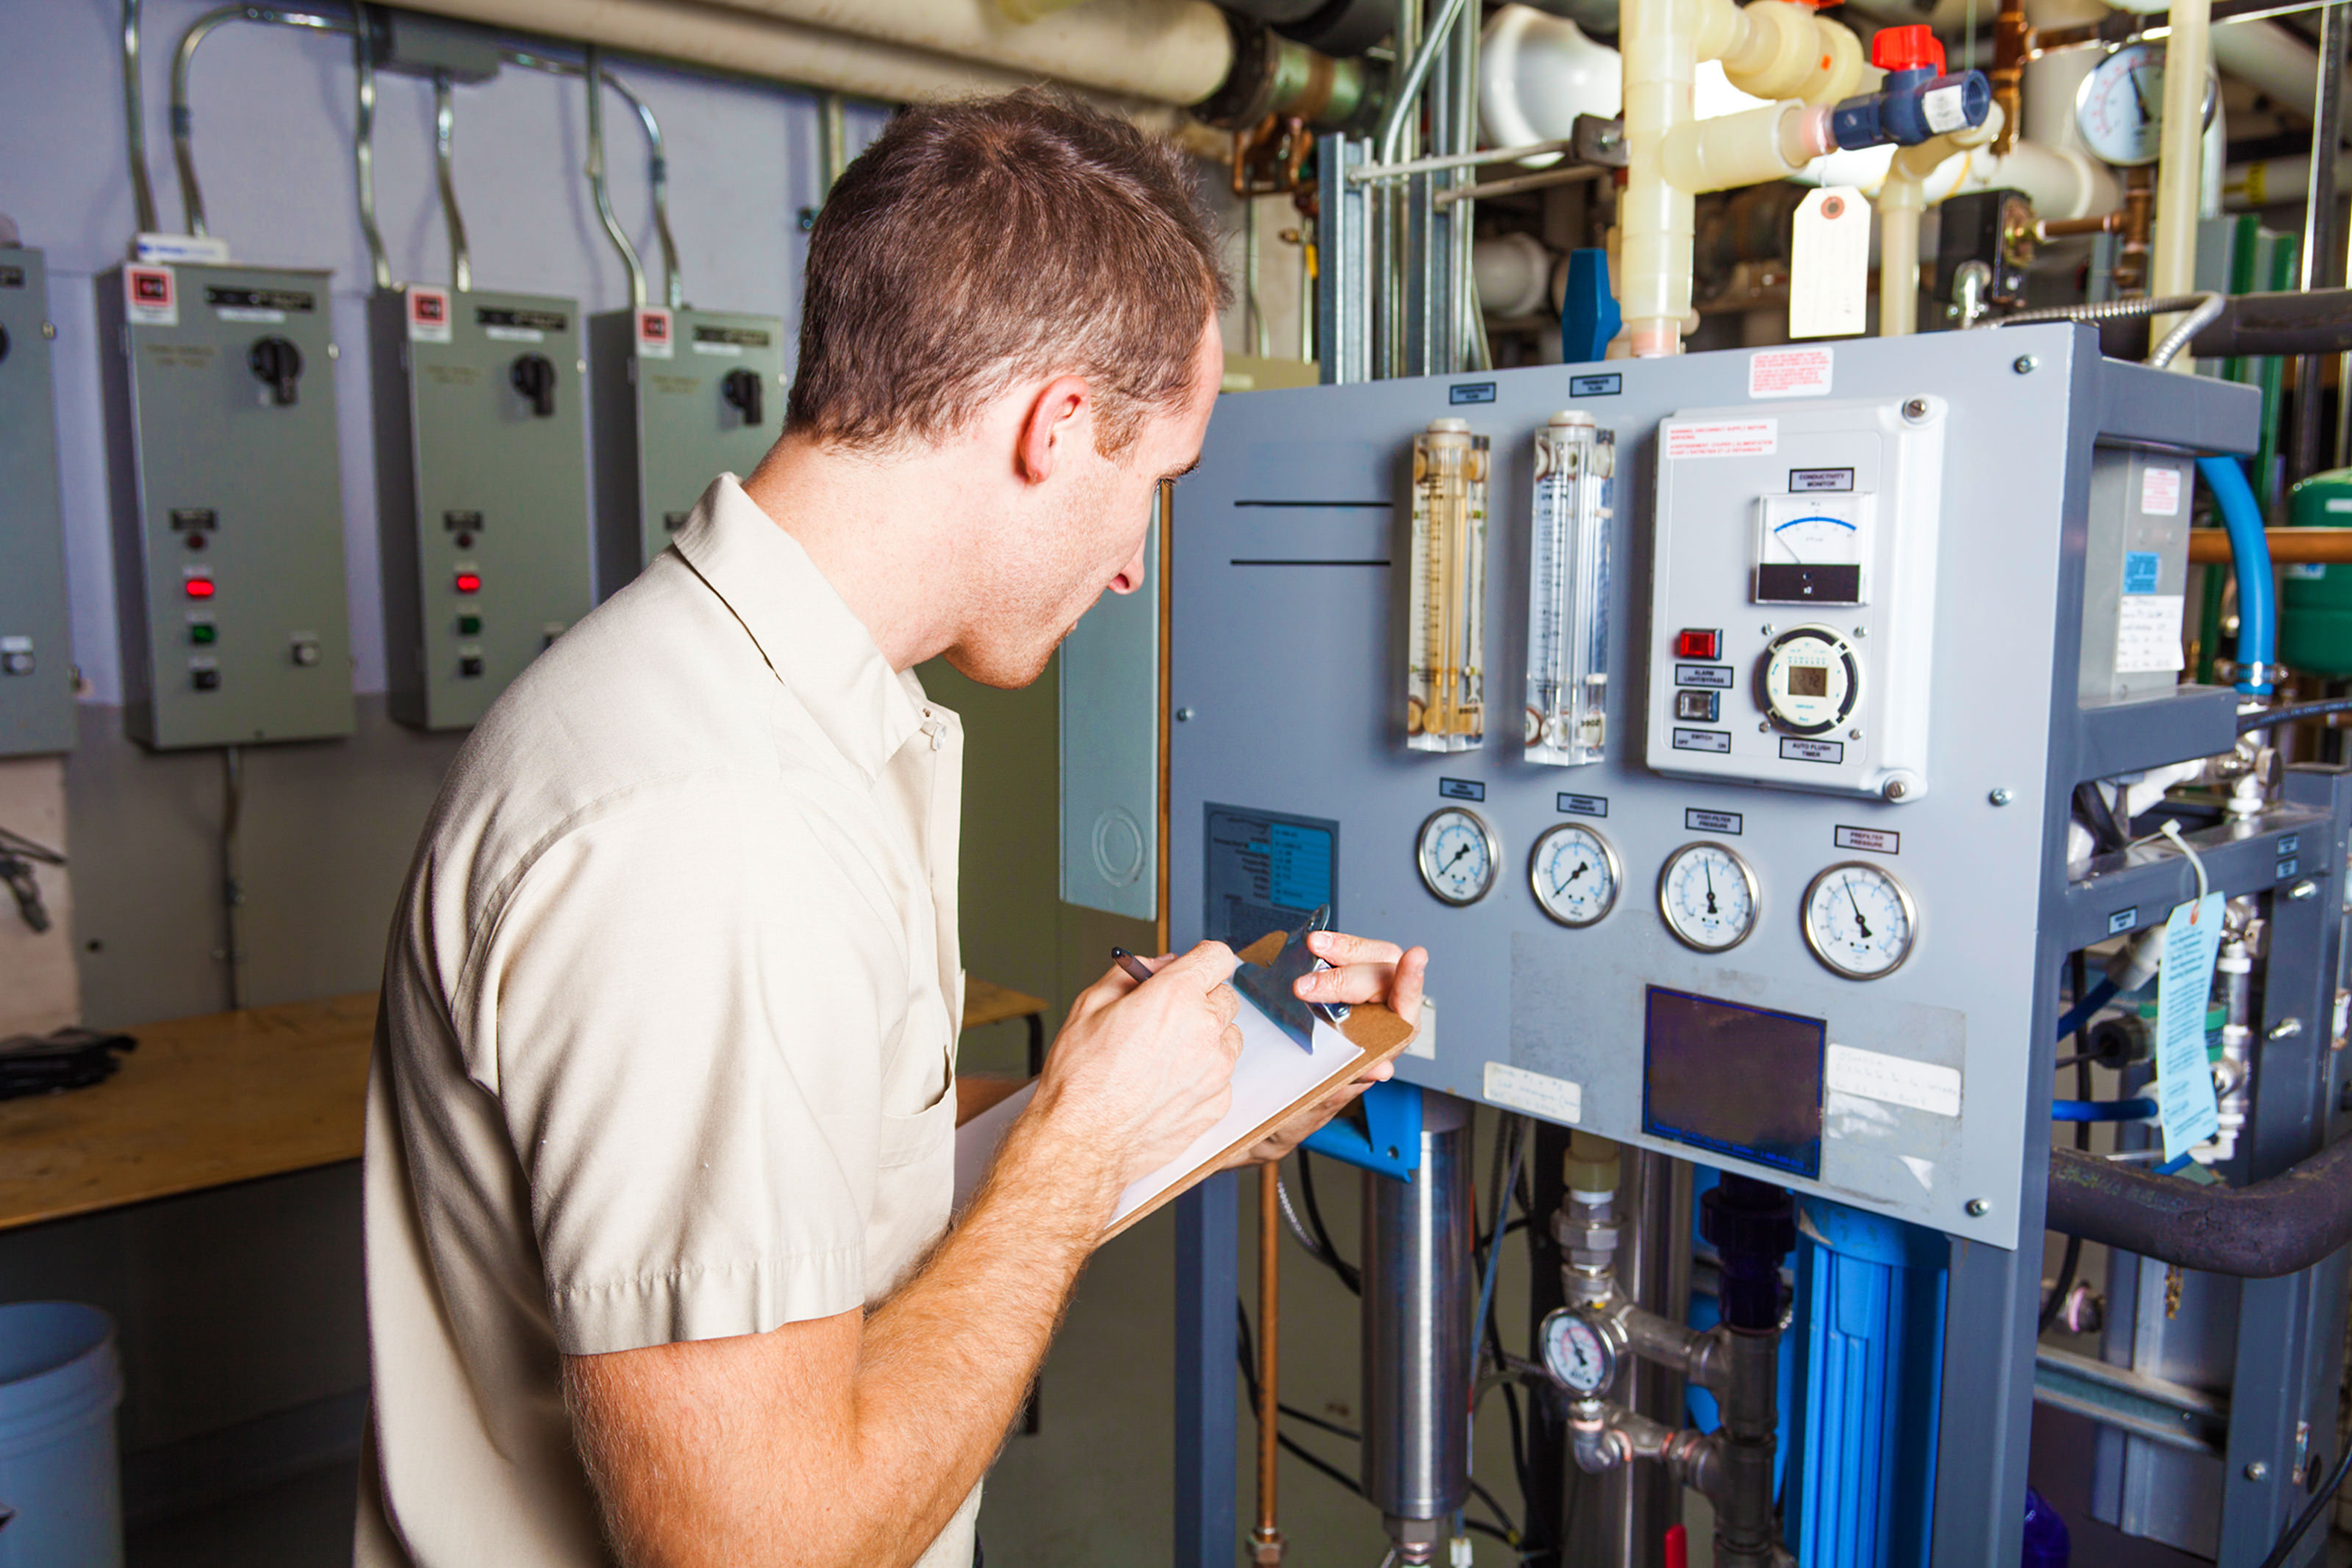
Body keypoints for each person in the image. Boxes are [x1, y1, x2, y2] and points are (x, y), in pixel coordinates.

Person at [357, 87, 1428, 1568]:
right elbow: (759, 1545)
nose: (1133, 566)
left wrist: (1161, 1106)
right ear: (1055, 427)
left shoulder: (758, 712)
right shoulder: (715, 823)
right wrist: (1073, 1148)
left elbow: (817, 1183)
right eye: (1154, 486)